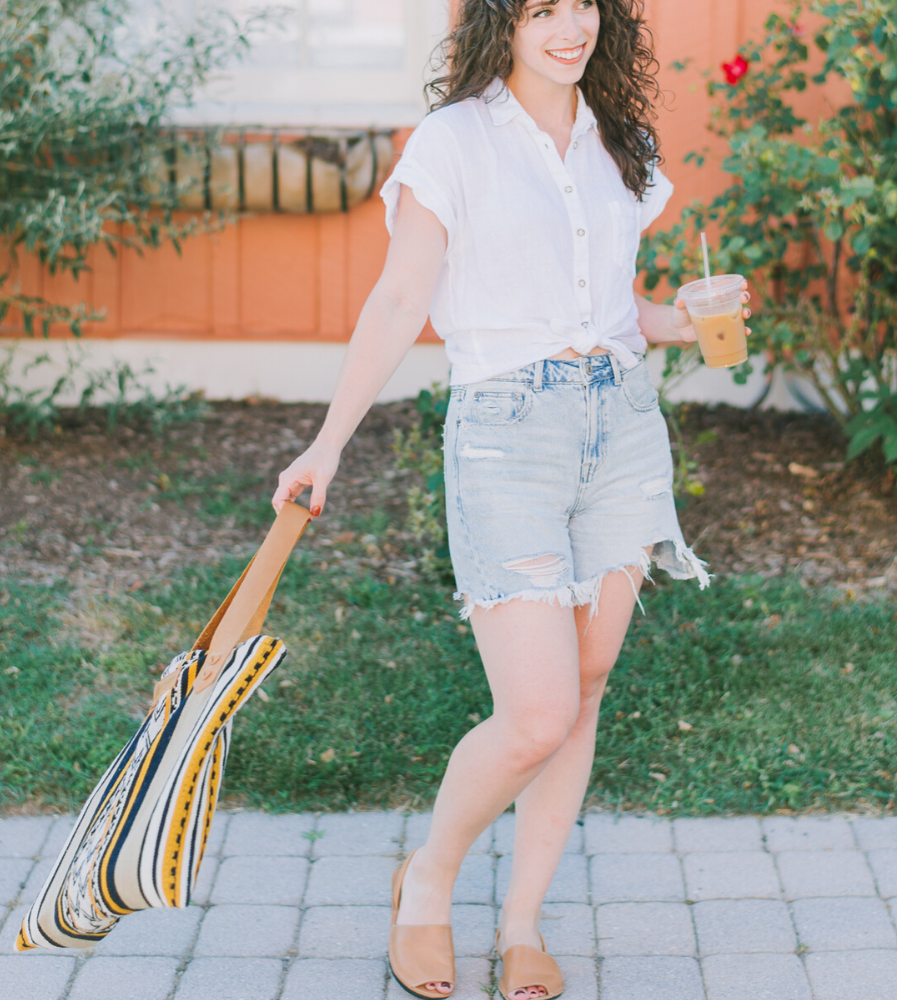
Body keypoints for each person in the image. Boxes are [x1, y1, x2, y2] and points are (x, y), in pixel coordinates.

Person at [273, 1, 751, 997]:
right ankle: (430, 879)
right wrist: (328, 440)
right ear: (503, 21)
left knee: (582, 686)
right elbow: (403, 299)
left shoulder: (618, 141)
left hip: (619, 428)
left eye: (580, 3)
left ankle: (522, 922)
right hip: (507, 436)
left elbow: (618, 311)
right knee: (532, 711)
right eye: (540, 8)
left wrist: (690, 315)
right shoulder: (452, 141)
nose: (567, 25)